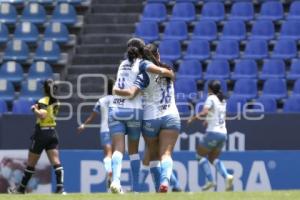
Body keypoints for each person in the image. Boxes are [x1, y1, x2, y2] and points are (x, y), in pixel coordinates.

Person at [109, 38, 175, 194]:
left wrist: (115, 90)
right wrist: (168, 72)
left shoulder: (122, 64)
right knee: (133, 152)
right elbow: (158, 73)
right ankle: (136, 189)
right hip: (134, 111)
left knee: (118, 149)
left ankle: (116, 182)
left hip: (116, 108)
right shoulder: (143, 65)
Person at [8, 79, 65, 194]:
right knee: (56, 161)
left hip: (42, 133)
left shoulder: (43, 100)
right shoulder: (57, 102)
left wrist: (34, 109)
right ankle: (60, 188)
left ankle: (21, 189)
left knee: (31, 163)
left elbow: (43, 115)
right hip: (52, 132)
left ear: (44, 89)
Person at [187, 80, 233, 191]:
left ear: (210, 89)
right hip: (223, 133)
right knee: (213, 158)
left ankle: (211, 181)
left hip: (213, 132)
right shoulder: (223, 101)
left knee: (199, 156)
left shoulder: (211, 98)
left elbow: (205, 112)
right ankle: (227, 176)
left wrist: (193, 118)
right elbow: (222, 116)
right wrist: (208, 120)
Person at [77, 79, 114, 191]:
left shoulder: (101, 101)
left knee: (107, 154)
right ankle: (114, 180)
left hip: (104, 130)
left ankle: (109, 171)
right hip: (117, 130)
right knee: (116, 154)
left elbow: (92, 116)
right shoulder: (119, 101)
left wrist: (83, 125)